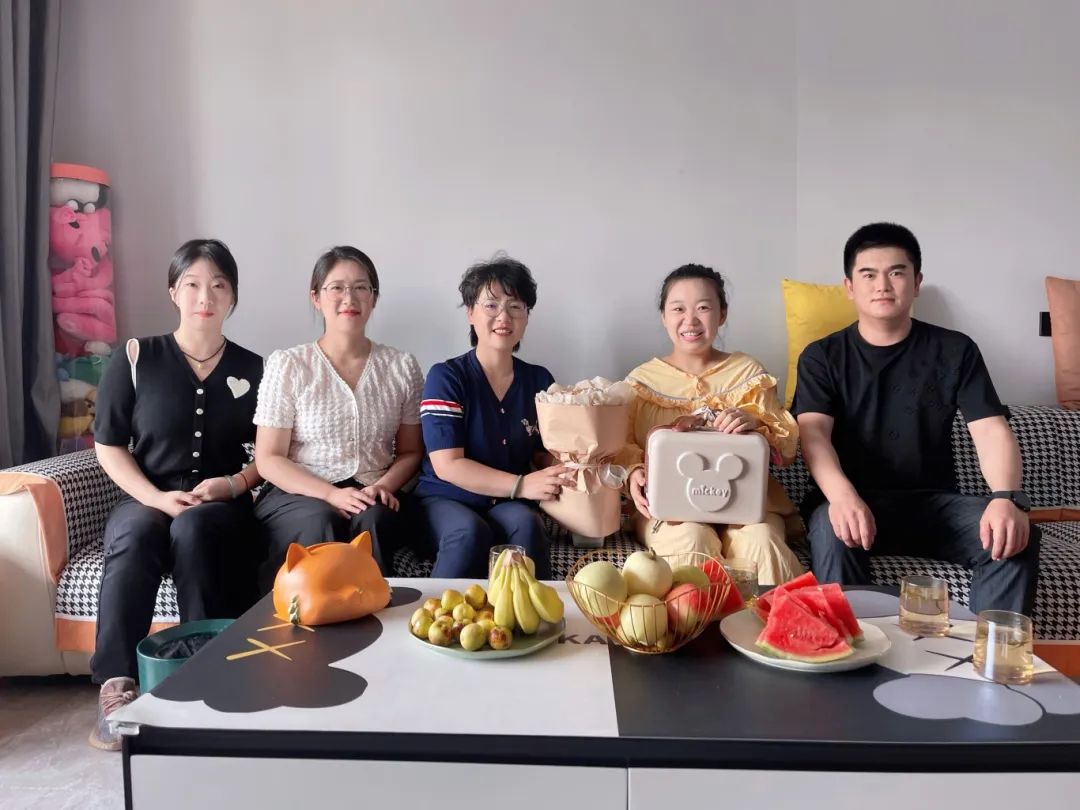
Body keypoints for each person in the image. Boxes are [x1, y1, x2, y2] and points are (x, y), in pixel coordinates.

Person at [793, 222, 1039, 614]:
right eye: (868, 275)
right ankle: (851, 649)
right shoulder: (822, 356)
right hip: (852, 501)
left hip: (934, 505)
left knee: (1013, 534)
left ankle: (990, 648)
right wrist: (842, 496)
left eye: (896, 272)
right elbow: (813, 436)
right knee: (832, 527)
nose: (882, 285)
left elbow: (991, 431)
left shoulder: (955, 350)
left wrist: (1005, 498)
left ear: (917, 282)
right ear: (849, 287)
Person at [90, 239, 263, 750]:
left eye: (218, 285)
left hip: (221, 504)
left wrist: (234, 484)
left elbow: (272, 454)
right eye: (192, 284)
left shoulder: (257, 368)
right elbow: (108, 445)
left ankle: (206, 674)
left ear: (233, 296)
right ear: (173, 291)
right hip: (147, 497)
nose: (204, 297)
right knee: (134, 534)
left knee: (195, 528)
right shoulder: (136, 357)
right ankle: (117, 685)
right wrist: (154, 497)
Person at [623, 264, 806, 585]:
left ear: (722, 314)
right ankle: (693, 617)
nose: (690, 320)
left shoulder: (748, 372)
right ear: (663, 316)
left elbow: (787, 448)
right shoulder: (641, 382)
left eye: (703, 308)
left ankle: (772, 618)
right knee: (691, 539)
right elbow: (620, 446)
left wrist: (756, 423)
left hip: (750, 508)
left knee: (761, 541)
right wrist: (633, 473)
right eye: (678, 309)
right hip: (669, 512)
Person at [253, 246, 423, 588]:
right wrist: (330, 495)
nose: (350, 298)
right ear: (316, 297)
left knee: (374, 521)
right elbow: (268, 458)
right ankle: (306, 615)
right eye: (337, 287)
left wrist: (383, 486)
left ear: (374, 298)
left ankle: (374, 612)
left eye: (361, 287)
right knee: (320, 520)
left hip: (372, 490)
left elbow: (410, 452)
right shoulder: (289, 365)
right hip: (299, 493)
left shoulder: (401, 366)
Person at [413, 255, 568, 579]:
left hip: (507, 503)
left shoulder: (540, 381)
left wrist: (562, 465)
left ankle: (536, 612)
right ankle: (438, 613)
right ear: (470, 313)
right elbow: (447, 465)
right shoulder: (446, 377)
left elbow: (543, 450)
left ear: (527, 317)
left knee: (527, 524)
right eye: (491, 305)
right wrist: (521, 485)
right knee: (469, 533)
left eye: (515, 306)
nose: (504, 316)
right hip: (446, 499)